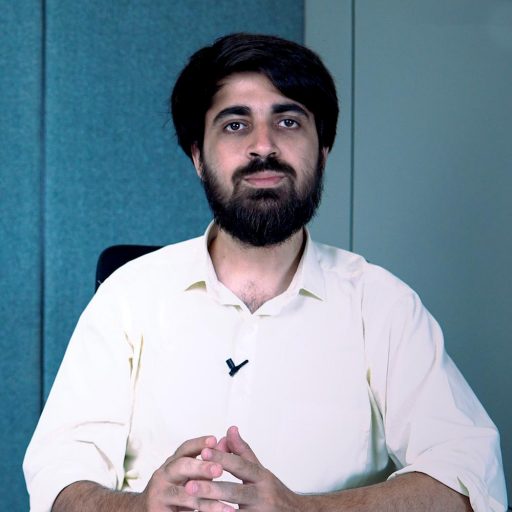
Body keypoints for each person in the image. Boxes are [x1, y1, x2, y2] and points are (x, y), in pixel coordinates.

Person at [23, 33, 507, 512]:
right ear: (198, 157)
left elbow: (469, 479)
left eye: (288, 121)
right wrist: (139, 508)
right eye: (235, 125)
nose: (263, 146)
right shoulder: (127, 296)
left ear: (322, 152)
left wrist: (302, 510)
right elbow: (58, 481)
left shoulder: (382, 305)